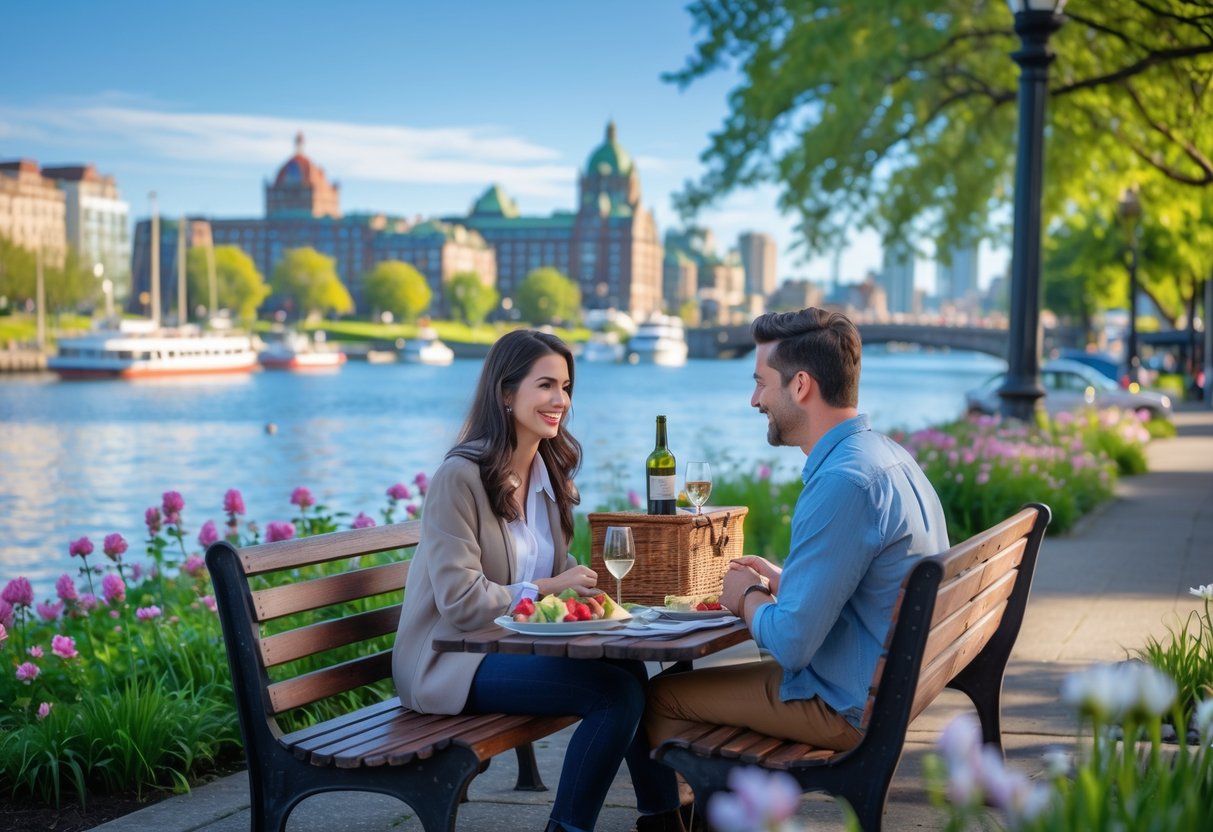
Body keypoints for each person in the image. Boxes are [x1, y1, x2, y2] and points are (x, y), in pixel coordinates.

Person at [392, 329, 685, 832]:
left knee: (634, 675)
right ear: (506, 394)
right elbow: (462, 604)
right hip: (447, 662)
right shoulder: (459, 478)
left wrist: (591, 600)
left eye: (566, 387)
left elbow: (554, 579)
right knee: (613, 696)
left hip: (510, 650)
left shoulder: (549, 477)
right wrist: (552, 589)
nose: (560, 401)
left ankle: (663, 821)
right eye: (545, 385)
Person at [645, 307, 950, 765]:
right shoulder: (886, 455)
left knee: (659, 698)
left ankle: (678, 818)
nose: (754, 400)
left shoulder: (842, 481)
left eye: (761, 383)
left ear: (801, 385)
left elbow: (790, 645)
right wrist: (786, 582)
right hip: (893, 683)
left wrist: (747, 595)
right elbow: (867, 585)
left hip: (846, 705)